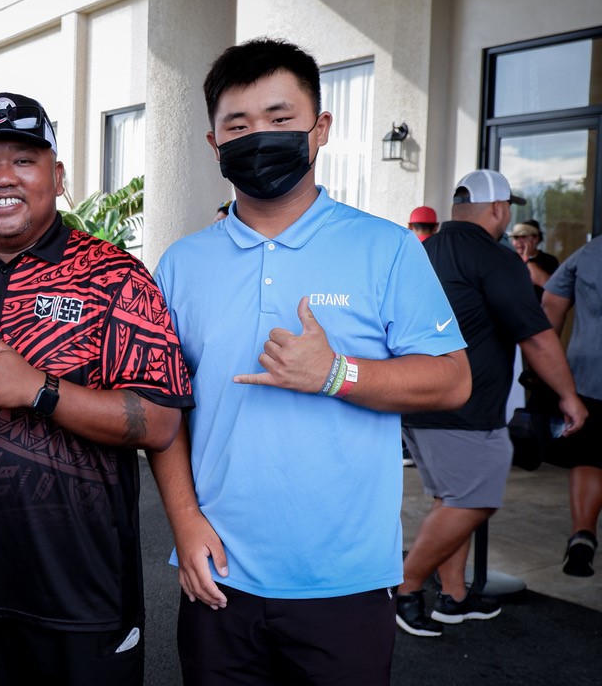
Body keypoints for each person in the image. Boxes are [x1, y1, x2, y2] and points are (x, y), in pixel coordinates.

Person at [150, 38, 471, 685]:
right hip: (219, 576)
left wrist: (337, 373)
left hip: (344, 581)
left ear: (319, 129)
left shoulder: (387, 249)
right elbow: (166, 411)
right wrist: (184, 525)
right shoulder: (181, 264)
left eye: (279, 119)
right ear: (214, 145)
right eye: (237, 126)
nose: (259, 137)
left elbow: (452, 381)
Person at [0, 92, 193, 686]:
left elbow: (161, 421)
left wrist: (40, 389)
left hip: (83, 590)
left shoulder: (116, 277)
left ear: (57, 176)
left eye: (24, 160)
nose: (2, 177)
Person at [398, 169, 587, 636]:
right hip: (465, 406)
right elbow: (539, 338)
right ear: (499, 209)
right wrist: (569, 397)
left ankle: (454, 595)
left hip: (417, 399)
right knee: (474, 500)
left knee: (453, 498)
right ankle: (404, 590)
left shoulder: (425, 250)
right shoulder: (496, 258)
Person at [542, 237, 602, 576]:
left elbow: (551, 308)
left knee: (589, 457)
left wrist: (548, 370)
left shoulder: (590, 252)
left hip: (589, 374)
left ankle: (583, 534)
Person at [511, 219, 559, 295]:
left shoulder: (549, 260)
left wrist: (526, 259)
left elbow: (549, 286)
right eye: (516, 238)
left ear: (535, 239)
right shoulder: (509, 260)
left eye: (523, 237)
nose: (518, 242)